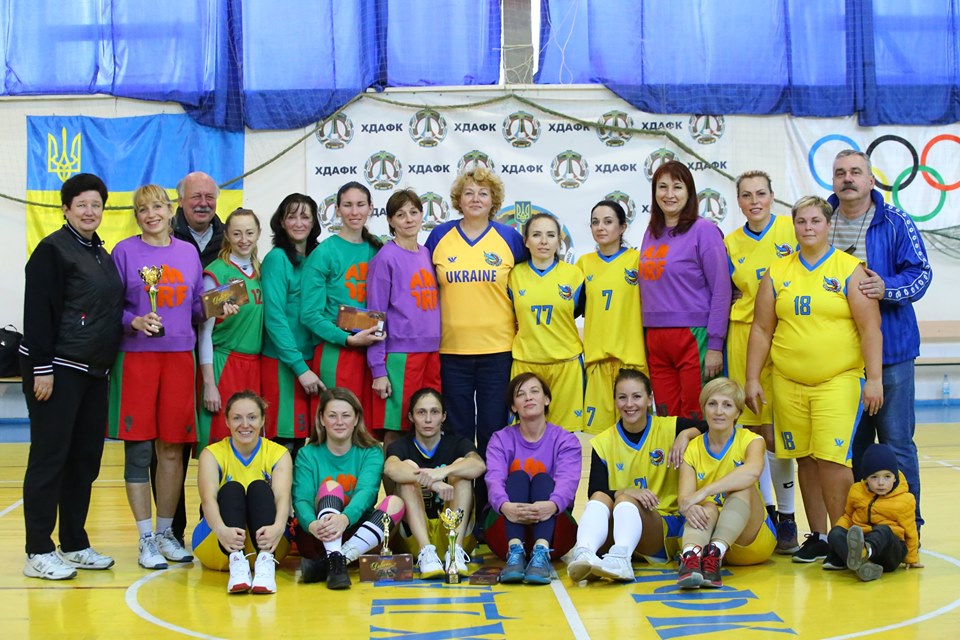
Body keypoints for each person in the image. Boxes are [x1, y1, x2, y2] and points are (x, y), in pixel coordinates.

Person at [745, 195, 883, 563]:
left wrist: (874, 379)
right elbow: (761, 329)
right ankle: (819, 536)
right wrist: (752, 378)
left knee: (833, 461)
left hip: (838, 380)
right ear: (793, 226)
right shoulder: (777, 272)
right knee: (804, 459)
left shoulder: (849, 269)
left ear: (828, 225)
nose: (808, 228)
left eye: (815, 221)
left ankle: (843, 538)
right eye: (801, 221)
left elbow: (870, 329)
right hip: (788, 382)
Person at [19, 173, 124, 580]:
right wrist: (42, 368)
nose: (89, 211)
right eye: (81, 204)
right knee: (50, 459)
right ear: (65, 209)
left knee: (84, 461)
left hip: (94, 372)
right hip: (58, 370)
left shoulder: (99, 253)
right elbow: (37, 314)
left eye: (96, 204)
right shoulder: (52, 250)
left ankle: (75, 543)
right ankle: (38, 550)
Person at [829, 150, 932, 531]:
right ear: (833, 181)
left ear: (871, 181)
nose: (848, 178)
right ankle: (862, 526)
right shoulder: (820, 220)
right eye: (840, 173)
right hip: (839, 359)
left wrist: (888, 288)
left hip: (893, 354)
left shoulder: (895, 221)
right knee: (851, 448)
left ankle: (908, 525)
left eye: (856, 172)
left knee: (897, 443)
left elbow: (921, 274)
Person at [108, 184, 205, 570]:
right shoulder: (124, 252)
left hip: (180, 358)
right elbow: (108, 306)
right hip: (137, 360)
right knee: (140, 450)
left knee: (172, 448)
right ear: (137, 216)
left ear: (171, 210)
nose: (151, 215)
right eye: (143, 209)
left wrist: (217, 307)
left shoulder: (188, 252)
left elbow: (195, 307)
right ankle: (145, 537)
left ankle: (166, 533)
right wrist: (133, 321)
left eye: (157, 207)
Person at [424, 169, 526, 514]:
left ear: (493, 200)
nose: (476, 199)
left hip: (499, 350)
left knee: (494, 429)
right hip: (452, 351)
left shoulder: (509, 238)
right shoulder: (440, 236)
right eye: (468, 193)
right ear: (458, 199)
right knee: (459, 430)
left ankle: (490, 506)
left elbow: (528, 285)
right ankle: (460, 508)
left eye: (483, 193)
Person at [567, 369, 705, 583]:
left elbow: (712, 427)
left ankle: (622, 559)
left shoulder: (671, 427)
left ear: (649, 399)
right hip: (620, 527)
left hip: (662, 524)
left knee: (624, 499)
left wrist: (686, 434)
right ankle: (585, 552)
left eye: (637, 396)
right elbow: (595, 491)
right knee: (602, 497)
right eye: (622, 397)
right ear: (615, 401)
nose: (629, 404)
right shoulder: (603, 442)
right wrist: (627, 491)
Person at [724, 170, 799, 553]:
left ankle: (788, 516)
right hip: (742, 336)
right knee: (753, 431)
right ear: (738, 201)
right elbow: (724, 289)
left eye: (761, 194)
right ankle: (768, 512)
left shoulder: (791, 230)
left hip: (783, 335)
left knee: (777, 434)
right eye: (746, 195)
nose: (754, 201)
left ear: (772, 196)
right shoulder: (730, 242)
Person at [639, 161, 731, 420]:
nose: (669, 194)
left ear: (689, 192)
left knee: (695, 415)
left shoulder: (704, 231)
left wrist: (715, 345)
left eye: (677, 187)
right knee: (666, 419)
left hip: (693, 335)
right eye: (662, 187)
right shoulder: (651, 233)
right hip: (655, 338)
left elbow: (722, 290)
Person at [292, 387, 404, 590]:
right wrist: (311, 524)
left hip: (359, 534)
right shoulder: (307, 454)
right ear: (321, 419)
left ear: (356, 419)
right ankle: (334, 558)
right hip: (318, 533)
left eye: (345, 415)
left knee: (396, 503)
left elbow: (367, 493)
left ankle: (335, 561)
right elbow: (301, 499)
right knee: (331, 487)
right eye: (332, 416)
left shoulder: (371, 451)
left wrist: (344, 519)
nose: (339, 422)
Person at [300, 182, 385, 433]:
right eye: (347, 205)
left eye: (360, 205)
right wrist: (347, 339)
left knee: (367, 430)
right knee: (337, 426)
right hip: (337, 352)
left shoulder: (378, 250)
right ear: (337, 209)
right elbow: (310, 314)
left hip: (373, 351)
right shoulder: (324, 253)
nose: (354, 211)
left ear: (371, 208)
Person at [676, 378, 776, 589]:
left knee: (742, 486)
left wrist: (705, 491)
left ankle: (715, 552)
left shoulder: (752, 440)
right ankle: (692, 557)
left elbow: (752, 472)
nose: (719, 411)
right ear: (703, 408)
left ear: (737, 412)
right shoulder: (692, 448)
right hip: (706, 535)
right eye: (712, 404)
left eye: (727, 405)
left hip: (750, 540)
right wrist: (691, 504)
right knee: (706, 506)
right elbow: (684, 501)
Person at [484, 373, 582, 585]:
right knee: (518, 477)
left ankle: (541, 552)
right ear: (513, 406)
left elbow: (567, 483)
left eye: (534, 391)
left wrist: (551, 505)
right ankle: (515, 552)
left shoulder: (566, 440)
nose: (528, 397)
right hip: (504, 530)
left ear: (546, 399)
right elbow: (494, 480)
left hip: (554, 532)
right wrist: (505, 506)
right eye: (521, 394)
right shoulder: (500, 439)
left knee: (542, 481)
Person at [193, 391, 292, 594]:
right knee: (232, 489)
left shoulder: (278, 453)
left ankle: (265, 564)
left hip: (270, 541)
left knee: (259, 488)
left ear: (263, 420)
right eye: (237, 418)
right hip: (220, 542)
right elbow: (207, 499)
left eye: (252, 417)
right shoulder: (211, 454)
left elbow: (283, 497)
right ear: (227, 421)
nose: (245, 425)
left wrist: (279, 527)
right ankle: (237, 563)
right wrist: (221, 530)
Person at [366, 189, 441, 448]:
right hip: (400, 356)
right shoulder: (385, 258)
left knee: (428, 427)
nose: (408, 219)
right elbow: (375, 316)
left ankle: (424, 477)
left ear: (422, 216)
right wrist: (378, 369)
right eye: (400, 214)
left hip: (432, 353)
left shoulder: (427, 254)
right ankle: (392, 477)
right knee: (396, 430)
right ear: (390, 221)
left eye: (413, 212)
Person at [384, 388, 485, 579]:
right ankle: (426, 553)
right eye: (421, 412)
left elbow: (478, 465)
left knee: (461, 468)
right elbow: (391, 468)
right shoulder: (401, 446)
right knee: (408, 468)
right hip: (415, 536)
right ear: (411, 417)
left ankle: (455, 553)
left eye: (435, 412)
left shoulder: (457, 443)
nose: (428, 419)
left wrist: (443, 472)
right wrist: (432, 483)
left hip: (453, 532)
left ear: (443, 416)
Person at [509, 213, 585, 432]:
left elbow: (578, 312)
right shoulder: (513, 276)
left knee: (564, 435)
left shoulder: (575, 275)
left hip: (565, 364)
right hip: (526, 362)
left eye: (551, 235)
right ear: (526, 241)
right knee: (525, 432)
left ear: (559, 241)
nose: (544, 241)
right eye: (536, 235)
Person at [575, 200, 647, 434]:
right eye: (595, 222)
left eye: (608, 222)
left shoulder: (638, 260)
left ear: (623, 227)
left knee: (635, 432)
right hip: (597, 361)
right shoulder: (583, 264)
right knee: (600, 437)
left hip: (631, 361)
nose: (600, 227)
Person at [260, 194, 323, 454]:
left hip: (311, 360)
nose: (299, 223)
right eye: (291, 216)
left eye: (305, 216)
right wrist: (299, 368)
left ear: (314, 222)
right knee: (284, 443)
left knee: (306, 441)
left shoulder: (317, 257)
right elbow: (274, 318)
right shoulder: (277, 259)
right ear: (282, 222)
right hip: (283, 363)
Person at [197, 209, 264, 453]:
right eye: (237, 233)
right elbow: (204, 332)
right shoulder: (218, 273)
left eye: (249, 233)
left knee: (249, 445)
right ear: (226, 235)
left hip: (254, 366)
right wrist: (209, 384)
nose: (244, 239)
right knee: (220, 444)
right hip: (224, 364)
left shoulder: (260, 271)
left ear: (258, 233)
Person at [823, 443, 921, 581]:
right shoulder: (856, 491)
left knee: (883, 530)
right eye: (874, 477)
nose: (881, 483)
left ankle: (862, 553)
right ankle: (864, 566)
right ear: (866, 478)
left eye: (887, 477)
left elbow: (911, 531)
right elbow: (848, 516)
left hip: (889, 551)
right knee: (835, 533)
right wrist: (838, 534)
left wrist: (912, 559)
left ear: (895, 477)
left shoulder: (905, 500)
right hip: (863, 538)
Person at [173, 171, 223, 267]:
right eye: (196, 197)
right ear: (180, 201)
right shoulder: (165, 237)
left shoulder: (229, 238)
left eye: (209, 197)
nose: (203, 203)